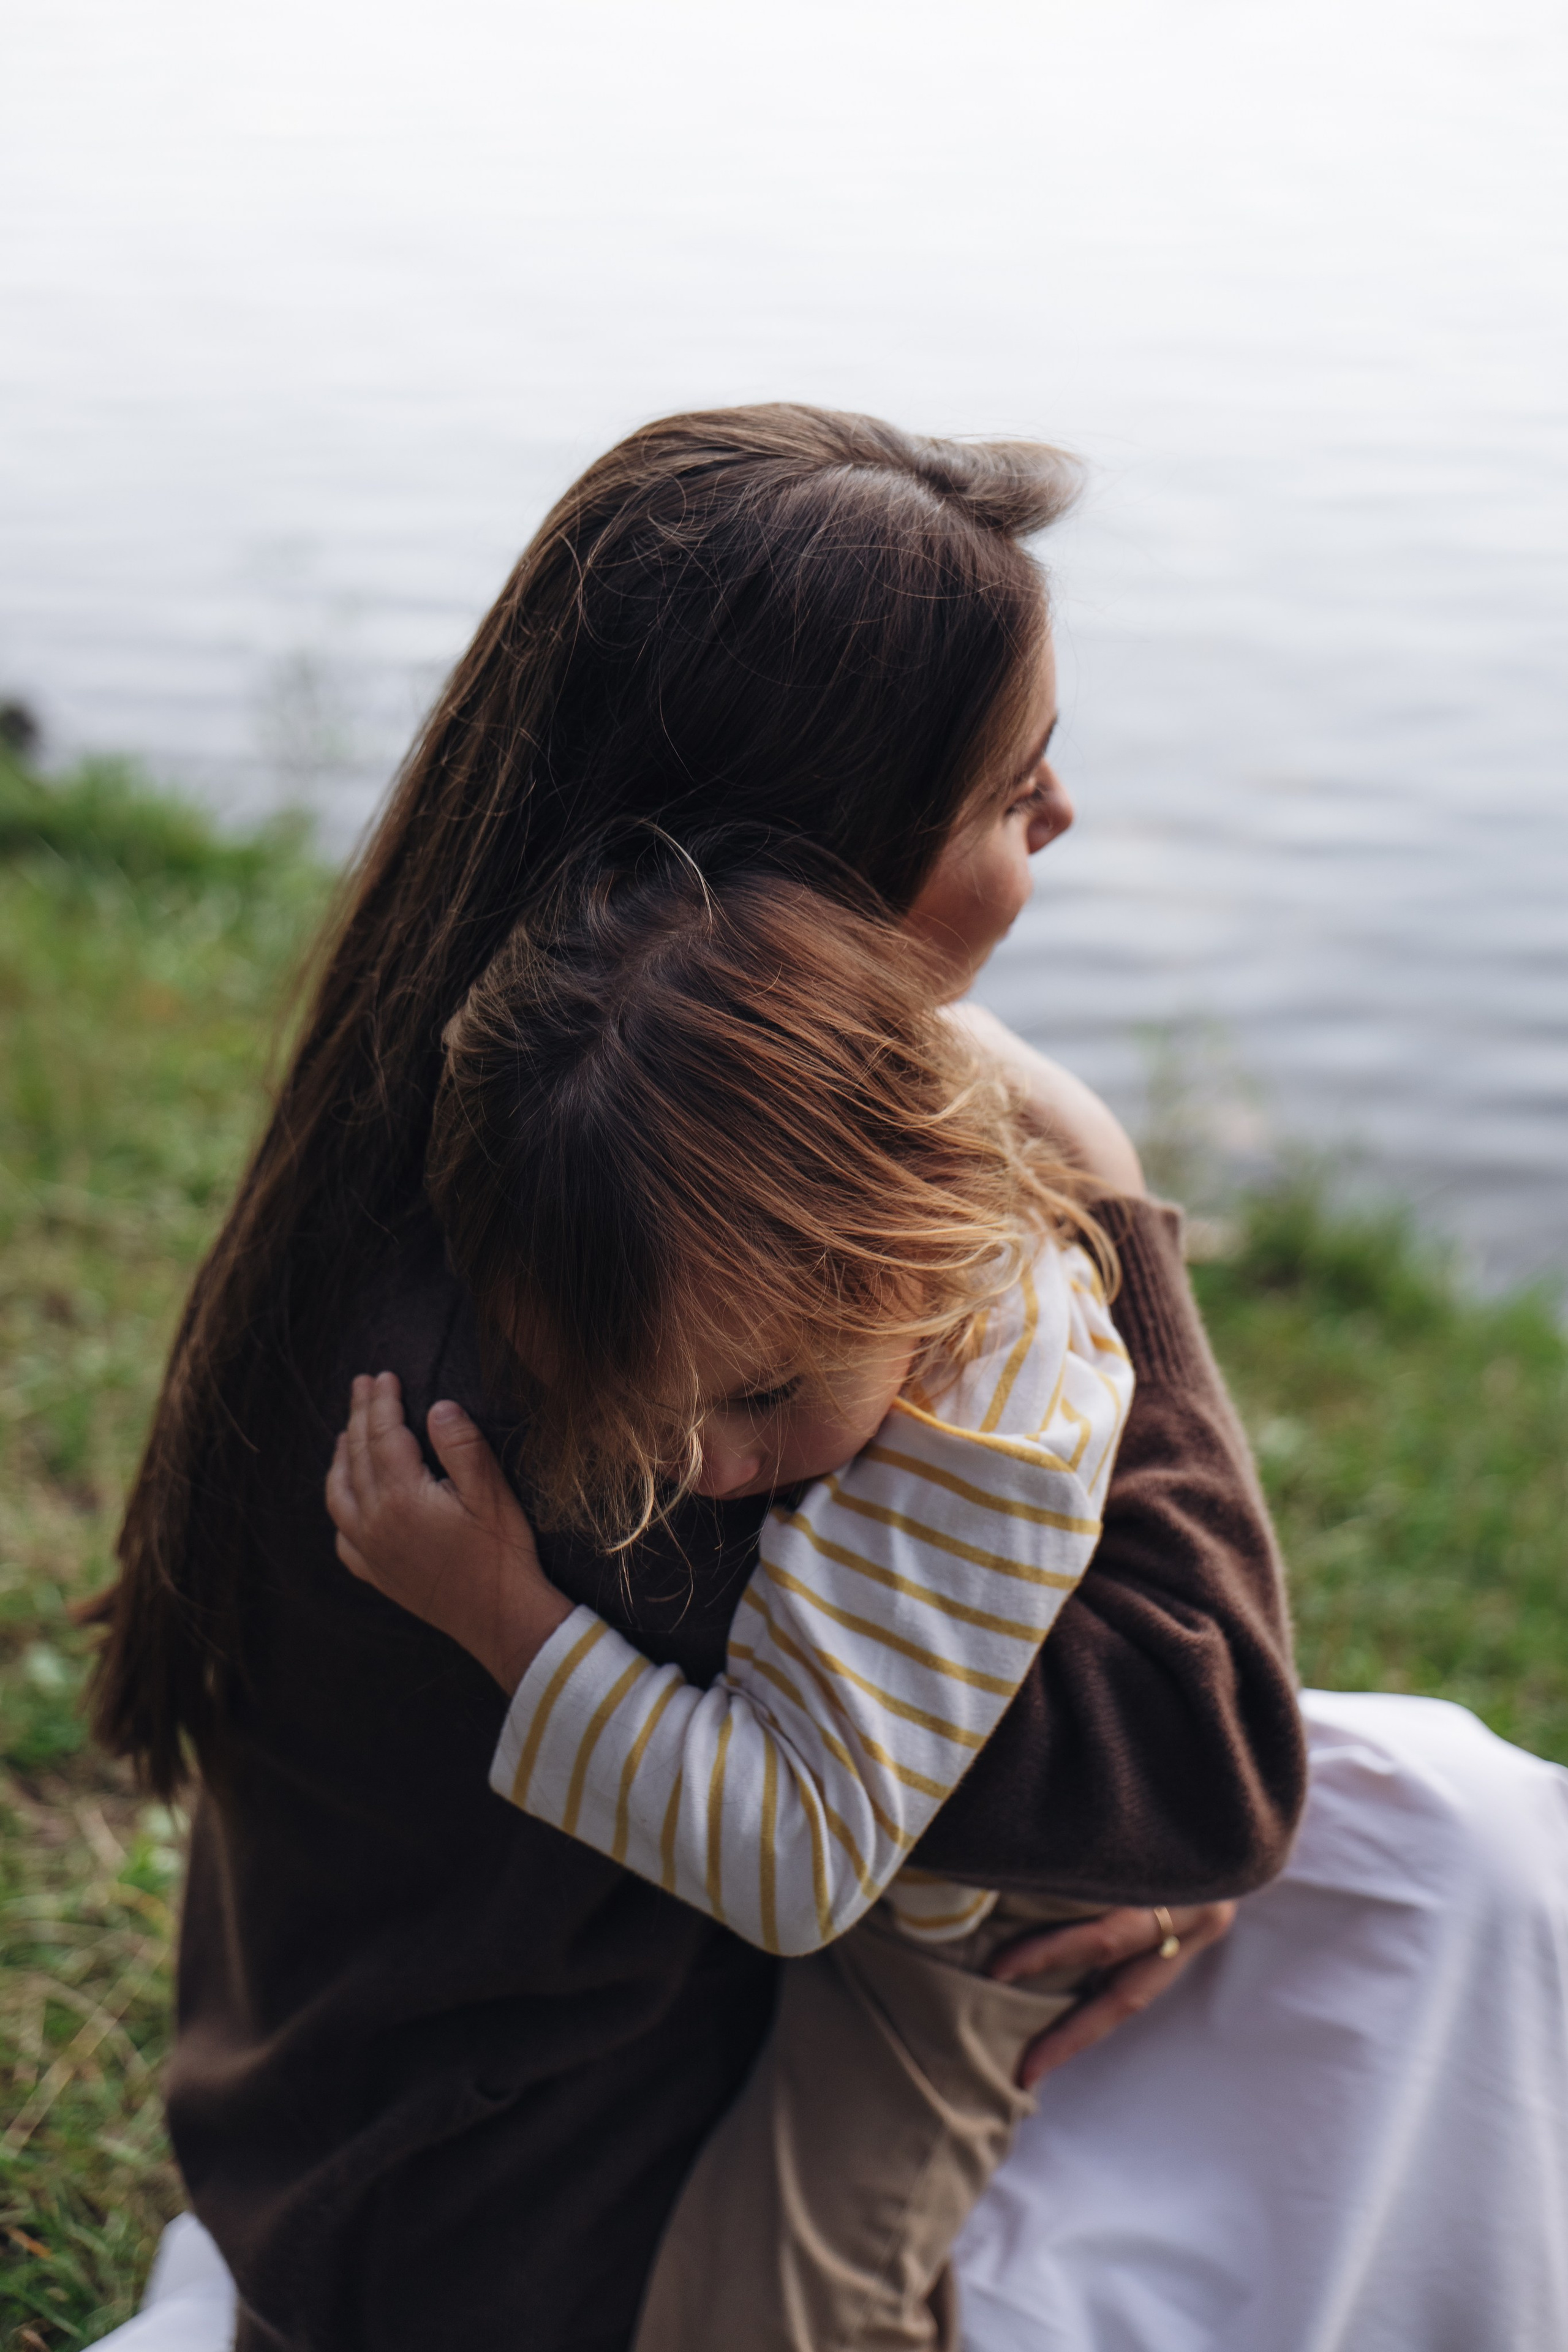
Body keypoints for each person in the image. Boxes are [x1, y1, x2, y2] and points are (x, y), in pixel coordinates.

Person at [88, 405, 1568, 2352]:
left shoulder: (511, 1130)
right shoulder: (655, 1383)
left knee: (1450, 1830)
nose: (1061, 826)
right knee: (1462, 1887)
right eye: (1008, 791)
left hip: (423, 2086)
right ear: (814, 884)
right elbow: (1206, 1768)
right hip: (572, 2225)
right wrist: (1114, 1207)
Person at [322, 863, 1138, 2346]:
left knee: (782, 2300)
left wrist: (505, 1611)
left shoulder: (980, 1454)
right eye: (646, 1414)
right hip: (847, 1839)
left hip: (957, 1942)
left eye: (762, 1396)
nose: (708, 1467)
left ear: (911, 1220)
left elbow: (805, 1864)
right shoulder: (837, 1274)